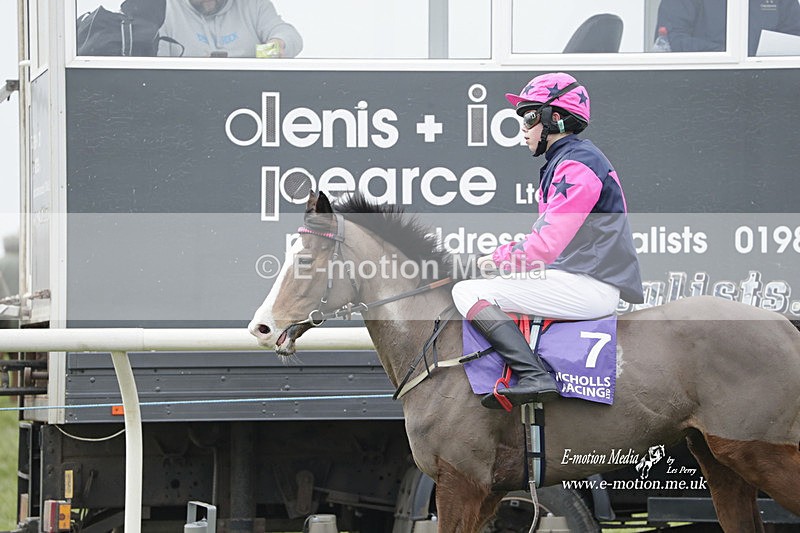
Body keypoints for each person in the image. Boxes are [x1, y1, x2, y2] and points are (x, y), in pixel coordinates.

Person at [451, 72, 644, 409]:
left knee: (468, 291)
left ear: (555, 119)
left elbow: (543, 248)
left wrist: (494, 260)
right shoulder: (568, 161)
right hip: (580, 277)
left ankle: (534, 375)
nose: (523, 128)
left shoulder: (577, 165)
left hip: (588, 284)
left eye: (528, 117)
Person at [158, 0, 303, 58]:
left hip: (250, 96)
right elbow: (156, 69)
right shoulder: (163, 9)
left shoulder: (253, 5)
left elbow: (289, 35)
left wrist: (274, 47)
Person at [655, 0, 800, 55]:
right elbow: (672, 41)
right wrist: (728, 54)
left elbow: (794, 37)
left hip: (768, 89)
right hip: (702, 89)